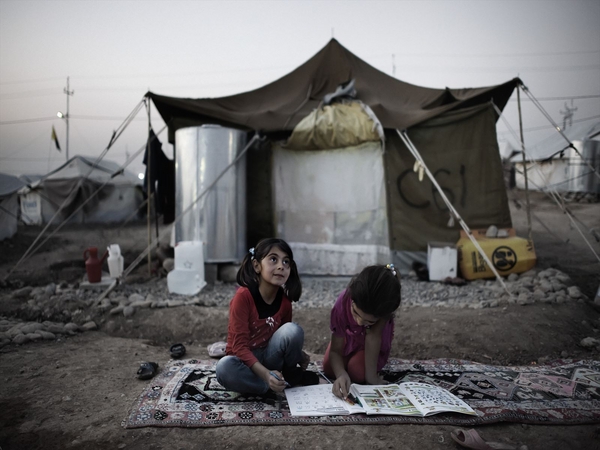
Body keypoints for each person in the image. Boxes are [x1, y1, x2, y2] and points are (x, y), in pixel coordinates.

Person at [215, 238, 316, 395]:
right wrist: (266, 375)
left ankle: (287, 376)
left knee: (293, 330)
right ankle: (269, 387)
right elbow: (239, 347)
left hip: (271, 358)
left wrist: (298, 355)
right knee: (224, 368)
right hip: (244, 363)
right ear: (257, 265)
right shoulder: (243, 297)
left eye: (286, 262)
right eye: (273, 259)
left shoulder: (285, 302)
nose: (281, 266)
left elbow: (283, 338)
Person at [323, 264, 401, 400]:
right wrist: (341, 374)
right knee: (329, 367)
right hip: (349, 338)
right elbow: (335, 351)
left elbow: (373, 338)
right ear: (352, 299)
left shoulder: (381, 311)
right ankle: (348, 357)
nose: (359, 322)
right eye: (355, 313)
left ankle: (356, 361)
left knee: (357, 372)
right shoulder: (342, 305)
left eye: (369, 321)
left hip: (370, 345)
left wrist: (372, 380)